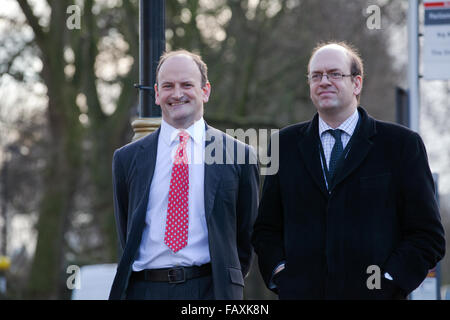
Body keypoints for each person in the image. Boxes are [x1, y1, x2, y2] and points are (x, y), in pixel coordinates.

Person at [252, 41, 445, 299]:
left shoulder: (401, 145)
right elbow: (266, 228)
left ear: (357, 83)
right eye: (316, 76)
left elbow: (427, 234)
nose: (324, 81)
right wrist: (281, 274)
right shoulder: (282, 145)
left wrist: (389, 281)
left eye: (334, 74)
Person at [109, 50, 259, 300]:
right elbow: (126, 233)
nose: (177, 94)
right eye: (168, 86)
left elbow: (246, 237)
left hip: (211, 290)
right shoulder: (127, 159)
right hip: (145, 291)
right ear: (157, 94)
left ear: (205, 91)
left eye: (187, 85)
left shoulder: (239, 156)